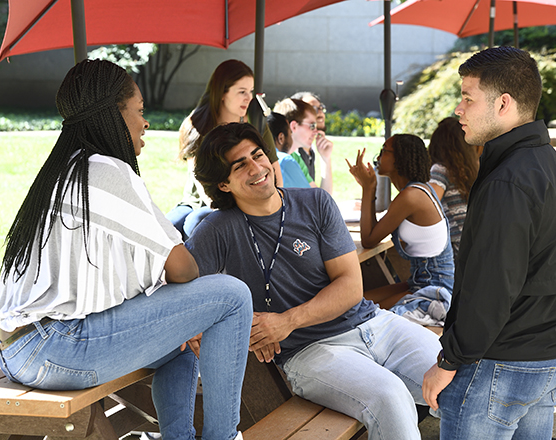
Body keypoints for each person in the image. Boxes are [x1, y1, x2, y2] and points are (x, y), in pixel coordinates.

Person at [0, 59, 252, 440]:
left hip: (17, 348)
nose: (146, 123)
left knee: (178, 343)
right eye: (140, 111)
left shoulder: (66, 168)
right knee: (232, 295)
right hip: (56, 349)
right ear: (115, 114)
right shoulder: (107, 170)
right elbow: (183, 269)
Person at [186, 122, 443, 440]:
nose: (257, 168)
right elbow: (181, 292)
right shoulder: (217, 230)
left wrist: (285, 321)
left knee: (458, 378)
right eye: (240, 165)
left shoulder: (315, 203)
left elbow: (350, 287)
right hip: (310, 352)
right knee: (391, 399)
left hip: (374, 324)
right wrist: (198, 325)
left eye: (257, 155)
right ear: (223, 184)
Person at [422, 47, 556, 440]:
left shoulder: (508, 181)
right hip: (548, 354)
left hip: (504, 362)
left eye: (467, 98)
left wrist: (447, 361)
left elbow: (490, 289)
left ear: (503, 103)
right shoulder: (549, 164)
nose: (459, 109)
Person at [167, 59, 283, 240]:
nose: (249, 98)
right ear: (222, 92)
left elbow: (276, 176)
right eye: (242, 92)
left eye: (251, 91)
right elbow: (205, 190)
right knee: (168, 227)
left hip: (248, 199)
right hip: (201, 201)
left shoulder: (256, 124)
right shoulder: (197, 125)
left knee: (195, 223)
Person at [346, 134, 454, 327]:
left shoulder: (411, 196)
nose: (378, 158)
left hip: (434, 293)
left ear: (400, 158)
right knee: (352, 302)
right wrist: (369, 186)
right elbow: (372, 234)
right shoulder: (416, 191)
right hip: (421, 282)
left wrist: (368, 188)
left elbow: (369, 239)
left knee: (356, 313)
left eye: (384, 151)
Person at [427, 117, 479, 259]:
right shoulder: (469, 172)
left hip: (455, 256)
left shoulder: (440, 170)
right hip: (473, 252)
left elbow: (427, 203)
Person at [274, 98, 333, 194]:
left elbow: (321, 198)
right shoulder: (286, 160)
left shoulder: (295, 158)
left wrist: (325, 159)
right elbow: (316, 203)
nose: (316, 132)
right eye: (312, 125)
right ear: (294, 126)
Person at [291, 91, 329, 180]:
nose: (320, 113)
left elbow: (317, 192)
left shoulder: (310, 149)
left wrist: (326, 159)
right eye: (312, 109)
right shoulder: (292, 153)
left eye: (321, 108)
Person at [267, 111, 309, 189]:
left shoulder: (257, 160)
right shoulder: (285, 161)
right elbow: (308, 197)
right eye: (290, 133)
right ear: (281, 138)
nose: (292, 139)